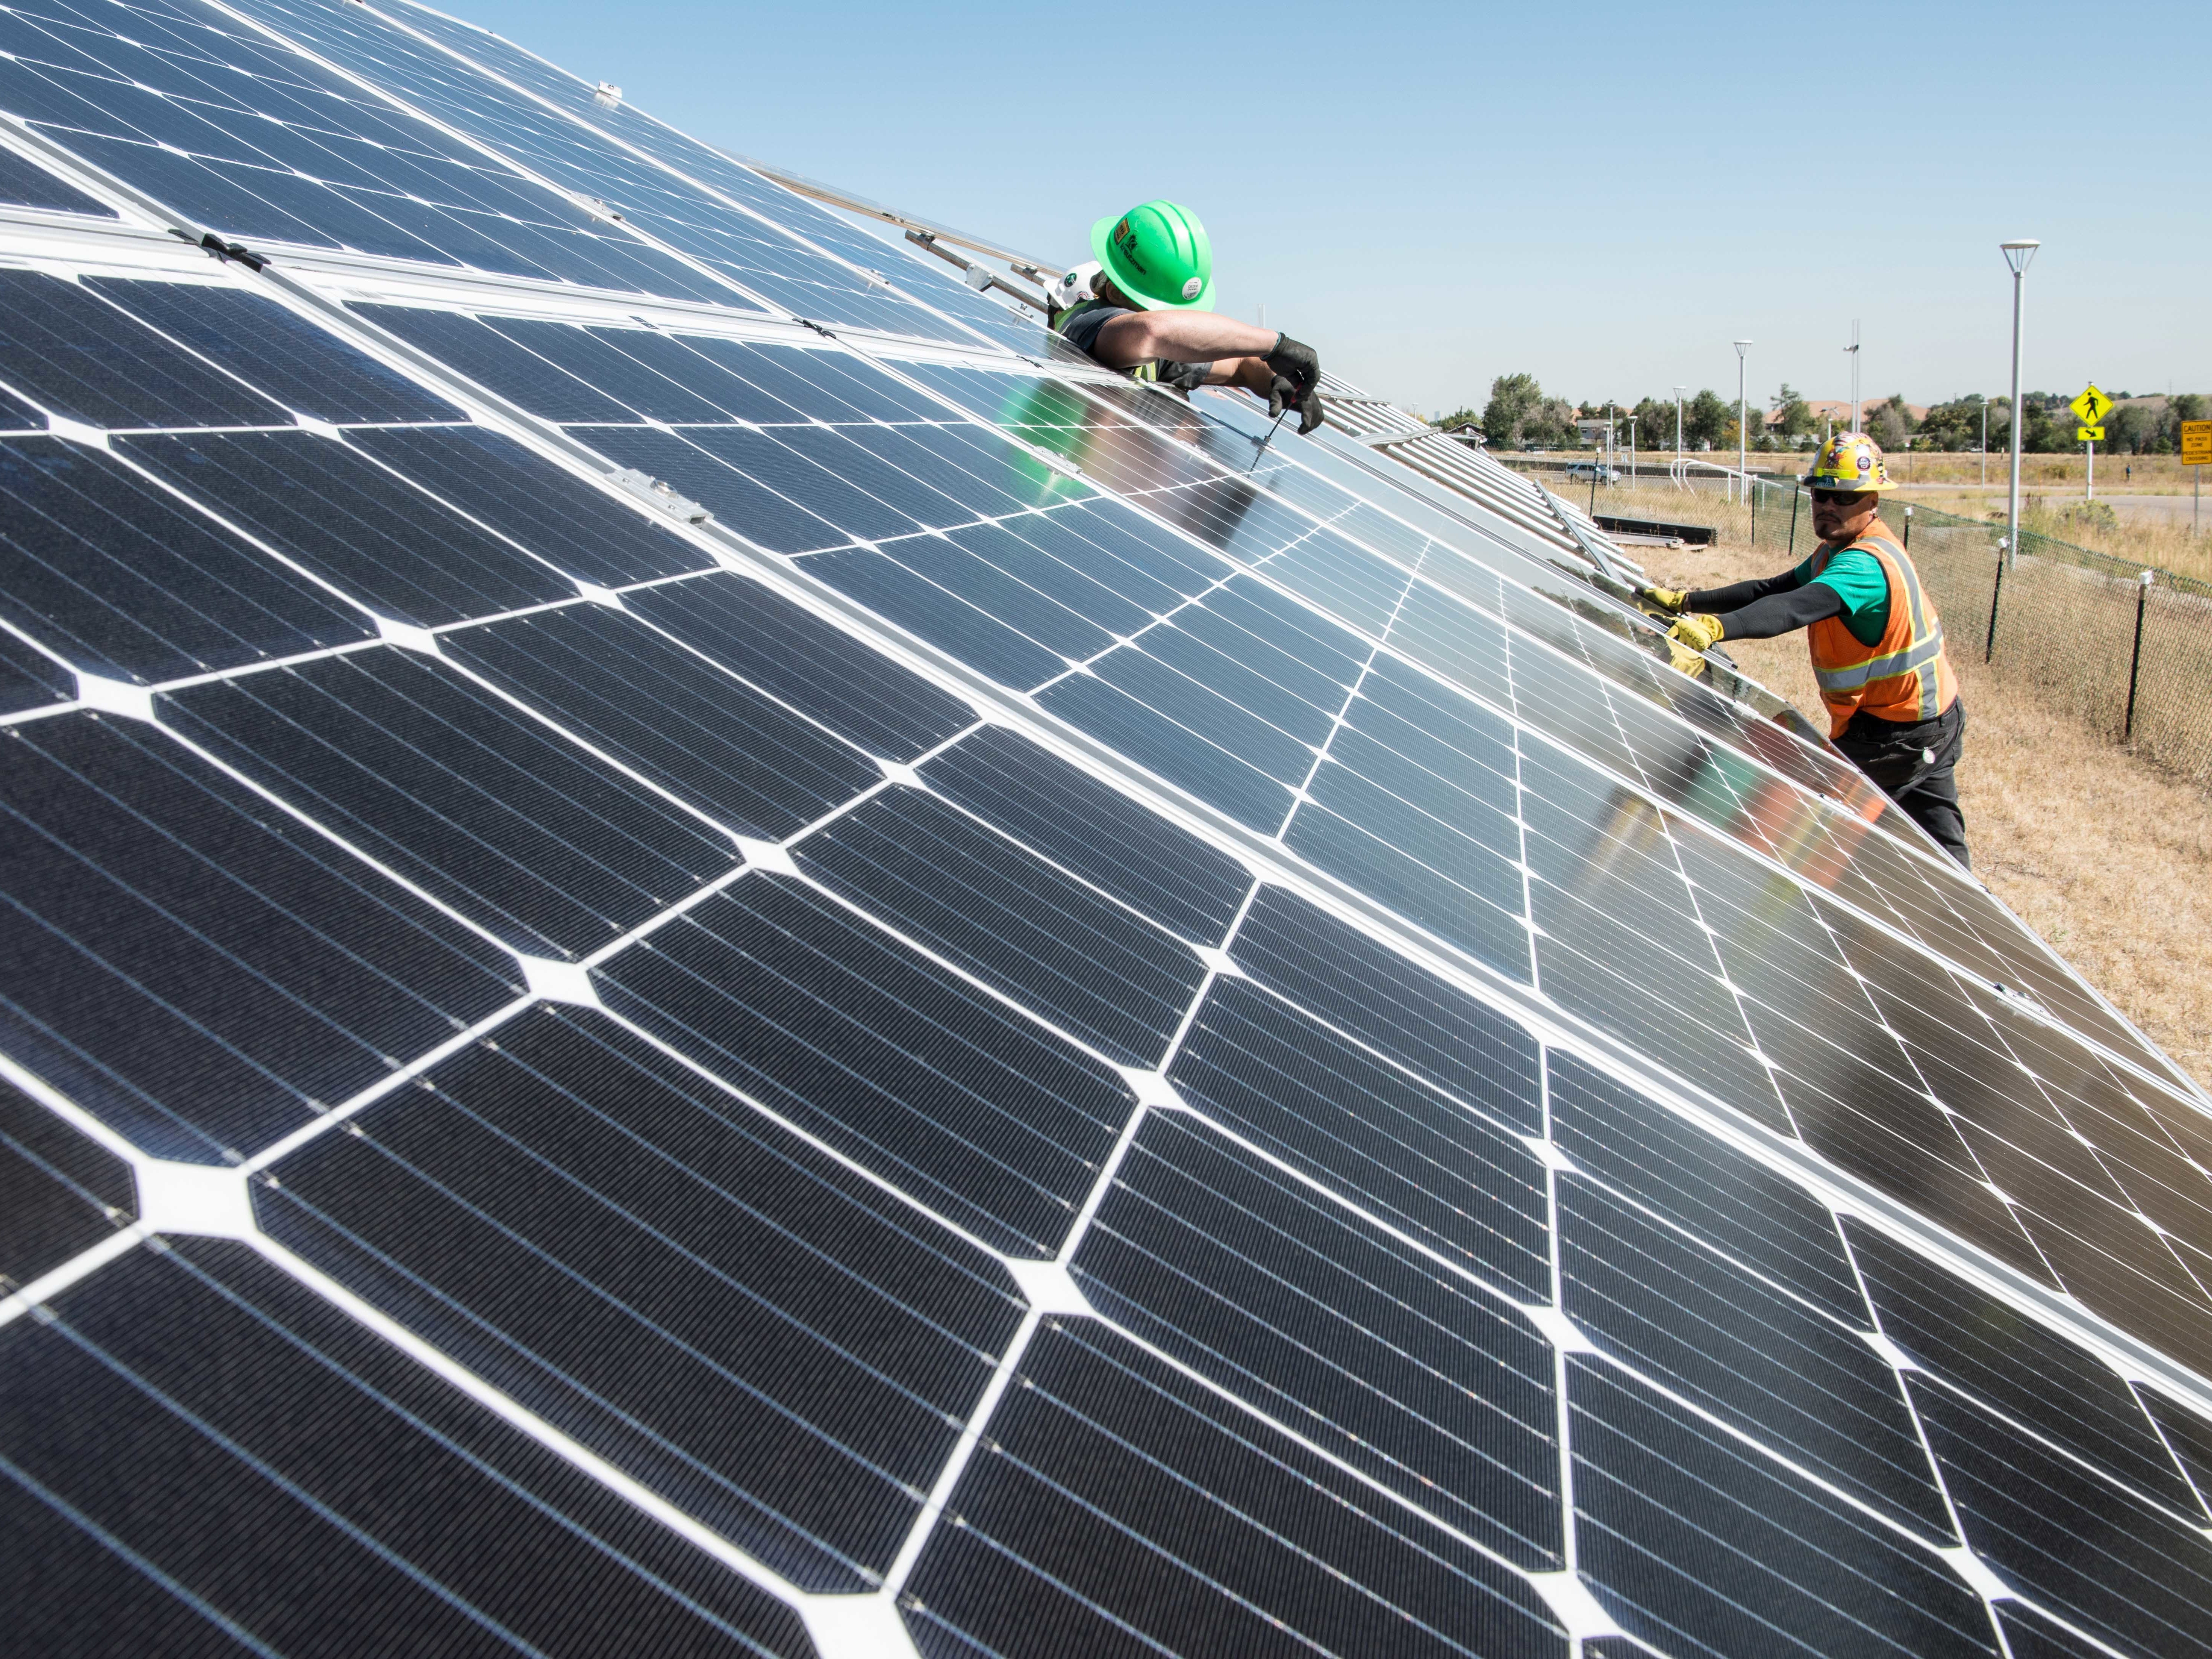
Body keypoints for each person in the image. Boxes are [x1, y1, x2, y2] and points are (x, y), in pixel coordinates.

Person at [1642, 433, 1972, 867]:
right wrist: (1690, 601)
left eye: (1843, 496)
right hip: (1921, 720)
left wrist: (1715, 629)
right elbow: (1771, 588)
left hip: (1900, 734)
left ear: (1873, 500)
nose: (1828, 505)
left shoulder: (1864, 566)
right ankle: (1956, 913)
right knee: (1938, 845)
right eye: (1821, 494)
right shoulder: (1836, 552)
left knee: (1811, 821)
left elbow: (1792, 608)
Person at [1048, 199, 1324, 434]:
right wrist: (1275, 344)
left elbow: (1239, 364)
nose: (1176, 318)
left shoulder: (1157, 348)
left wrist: (1275, 378)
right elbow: (1152, 333)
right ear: (1116, 294)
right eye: (1166, 308)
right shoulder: (1085, 323)